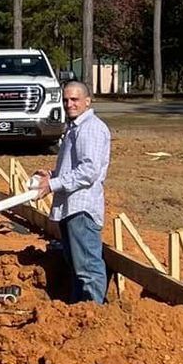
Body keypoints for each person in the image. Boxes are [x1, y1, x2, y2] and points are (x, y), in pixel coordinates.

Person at [32, 80, 112, 303]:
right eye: (66, 100)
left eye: (75, 99)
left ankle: (95, 314)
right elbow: (76, 166)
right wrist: (53, 175)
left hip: (82, 208)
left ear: (88, 101)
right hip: (71, 206)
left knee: (87, 267)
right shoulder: (75, 128)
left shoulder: (91, 128)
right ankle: (80, 309)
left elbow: (89, 171)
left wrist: (53, 185)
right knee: (76, 265)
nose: (69, 104)